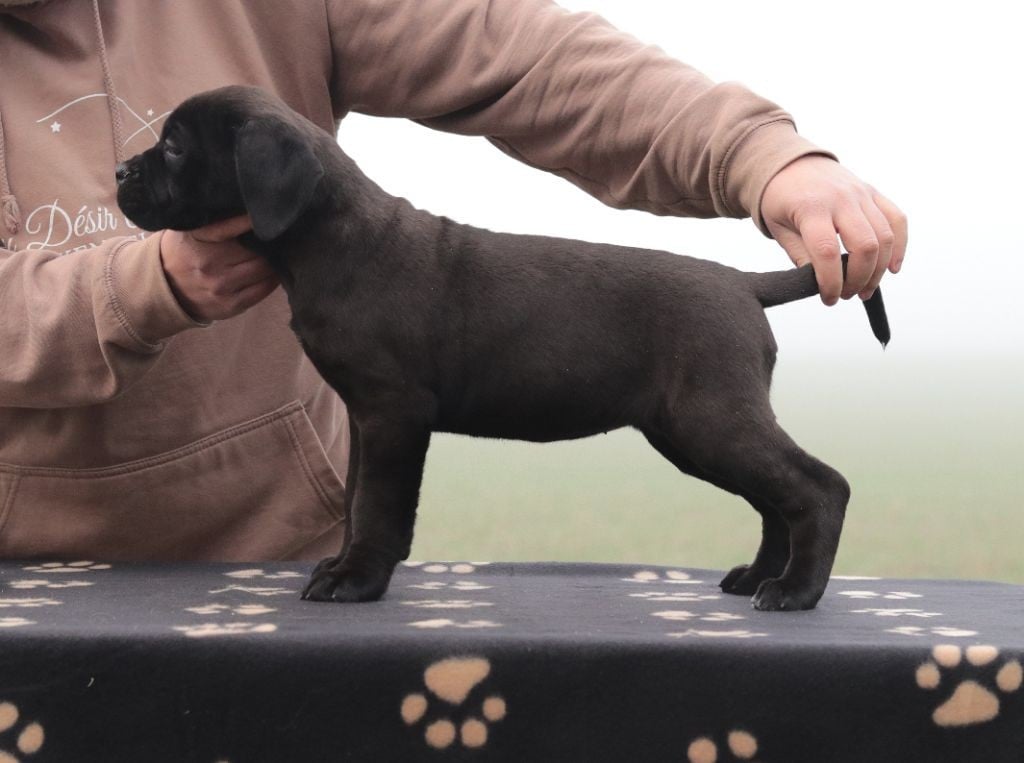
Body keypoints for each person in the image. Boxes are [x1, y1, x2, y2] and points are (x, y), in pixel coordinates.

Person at [0, 0, 906, 562]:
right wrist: (141, 287)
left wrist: (762, 156)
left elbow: (522, 53)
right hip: (33, 595)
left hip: (283, 562)